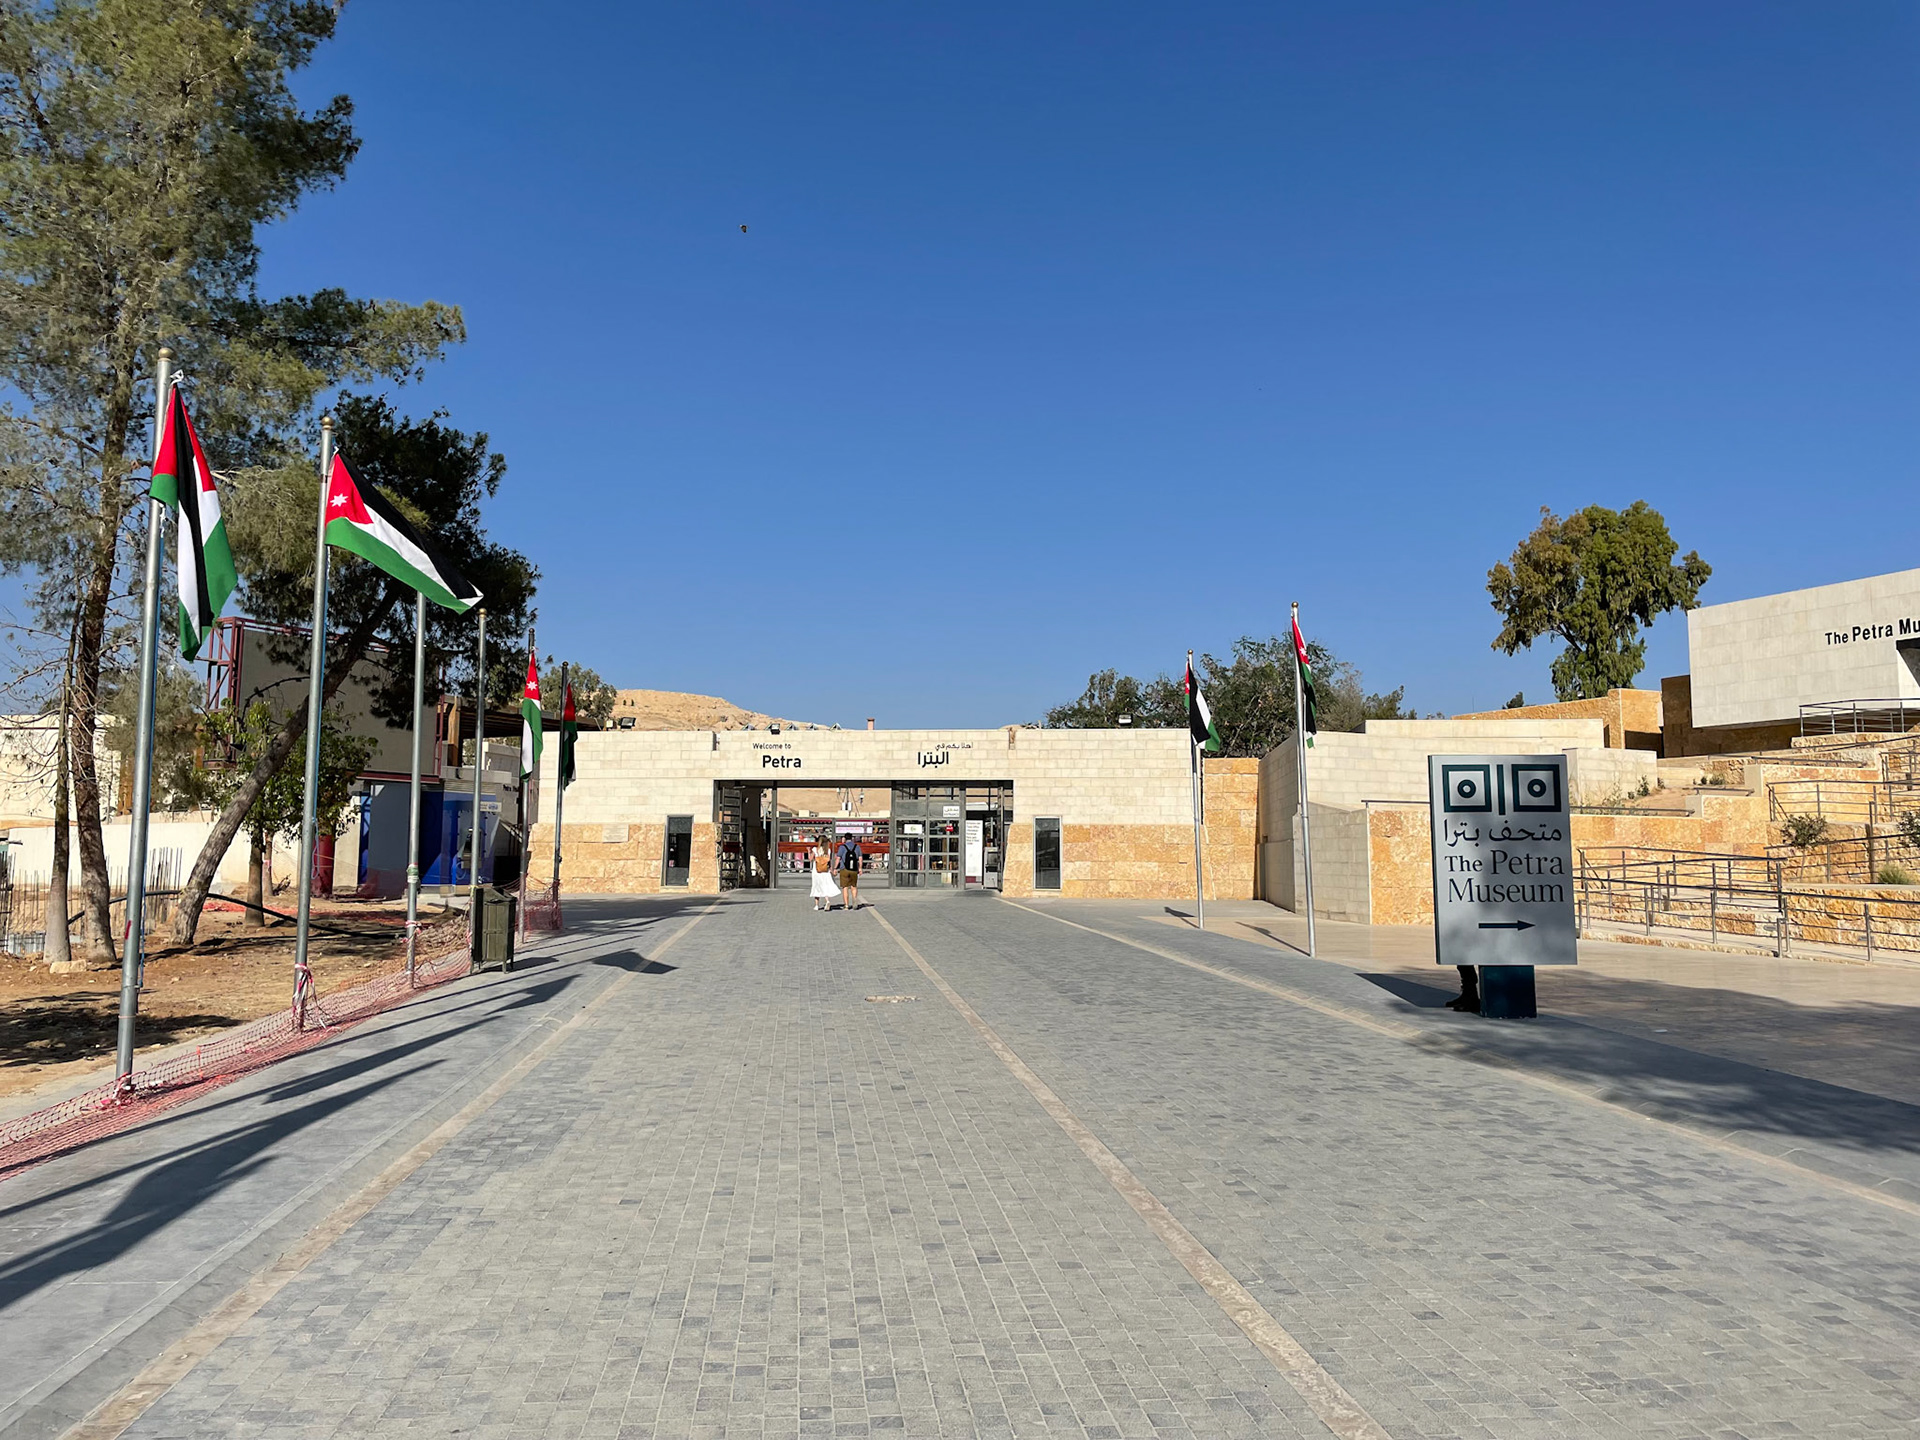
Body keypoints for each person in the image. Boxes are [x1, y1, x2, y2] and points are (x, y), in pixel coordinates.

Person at [809, 841, 839, 911]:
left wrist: (808, 851)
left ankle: (816, 905)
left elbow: (810, 859)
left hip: (817, 871)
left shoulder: (815, 849)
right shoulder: (828, 850)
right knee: (825, 886)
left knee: (816, 886)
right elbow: (829, 861)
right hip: (825, 870)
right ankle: (827, 900)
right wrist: (831, 869)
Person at [835, 833, 862, 911]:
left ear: (844, 838)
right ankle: (854, 899)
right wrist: (860, 868)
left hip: (844, 869)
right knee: (854, 886)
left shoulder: (842, 847)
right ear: (852, 838)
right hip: (854, 869)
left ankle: (846, 905)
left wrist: (835, 868)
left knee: (845, 887)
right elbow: (860, 858)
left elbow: (838, 858)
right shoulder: (857, 847)